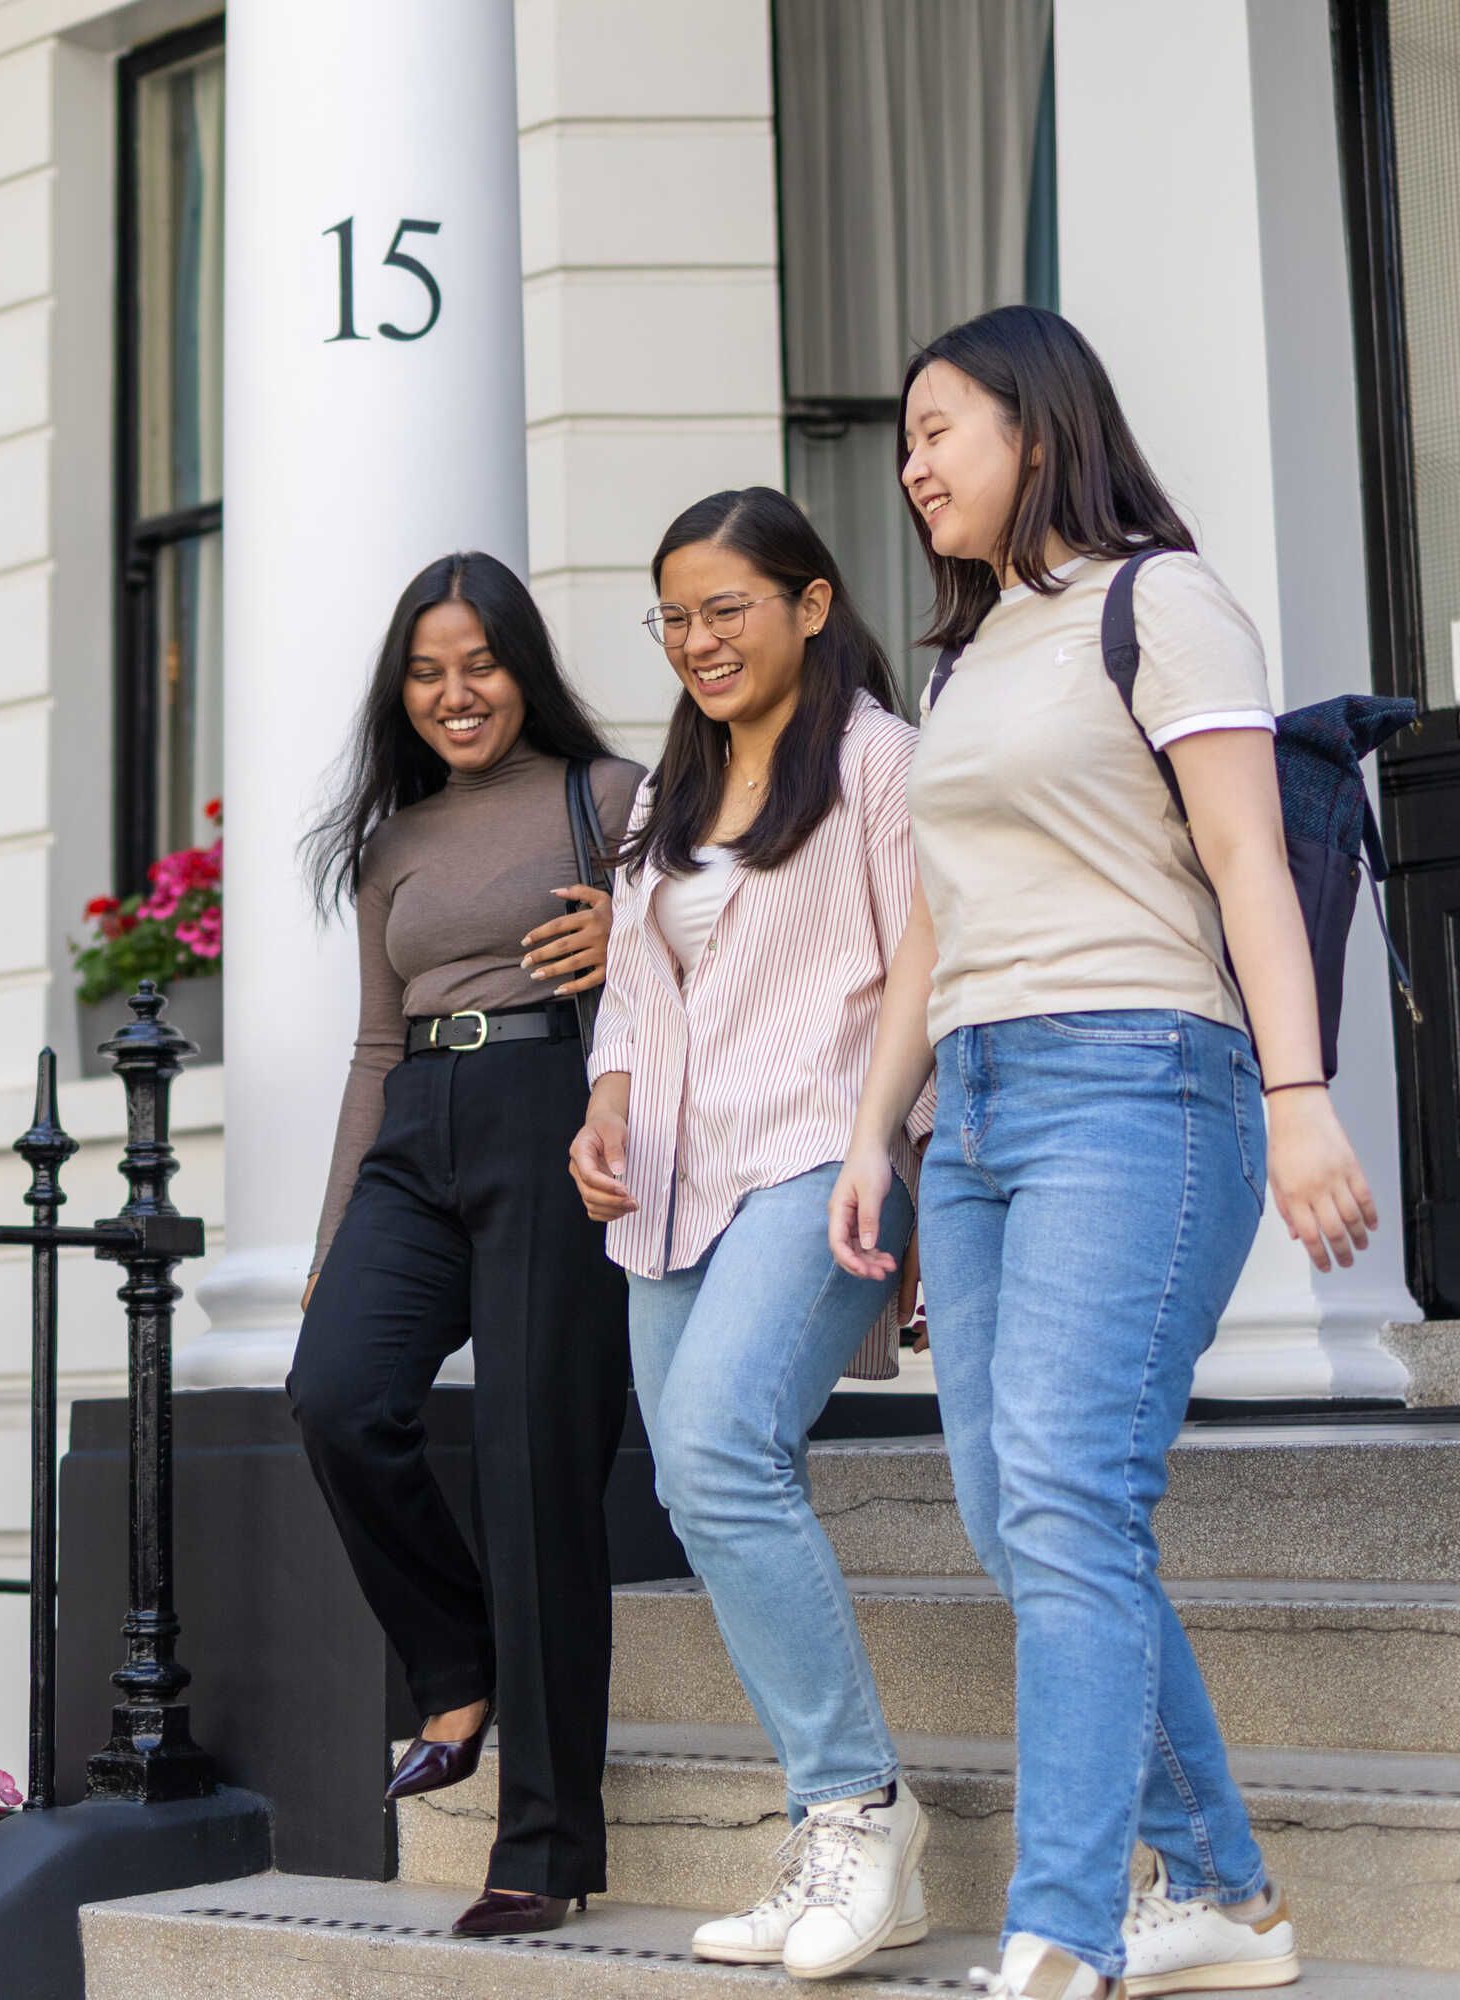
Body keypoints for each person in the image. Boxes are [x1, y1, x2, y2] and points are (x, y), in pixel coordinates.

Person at [832, 304, 1371, 2000]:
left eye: (938, 429)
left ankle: (1061, 1927)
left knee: (1068, 1495)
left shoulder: (1164, 603)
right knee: (1017, 1512)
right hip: (982, 1106)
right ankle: (1222, 1890)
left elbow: (1248, 862)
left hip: (1143, 1077)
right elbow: (936, 921)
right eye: (906, 440)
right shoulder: (968, 650)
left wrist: (1302, 1098)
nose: (912, 464)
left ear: (1039, 426)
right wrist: (875, 1129)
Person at [566, 486, 938, 1982]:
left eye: (726, 608)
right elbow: (635, 988)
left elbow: (931, 958)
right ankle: (831, 1826)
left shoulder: (879, 764)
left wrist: (884, 1150)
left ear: (810, 602)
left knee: (720, 1447)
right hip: (670, 1174)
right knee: (698, 1481)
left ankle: (859, 1809)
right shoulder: (674, 788)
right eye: (673, 617)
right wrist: (604, 1107)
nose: (697, 641)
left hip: (818, 1147)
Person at [287, 549, 647, 1938]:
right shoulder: (394, 843)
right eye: (428, 673)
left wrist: (637, 934)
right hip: (419, 1127)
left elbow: (705, 952)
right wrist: (331, 1234)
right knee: (335, 1394)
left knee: (532, 1470)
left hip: (554, 1113)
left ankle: (543, 1850)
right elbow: (376, 1043)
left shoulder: (606, 799)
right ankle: (457, 1659)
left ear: (522, 666)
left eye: (478, 664)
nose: (455, 694)